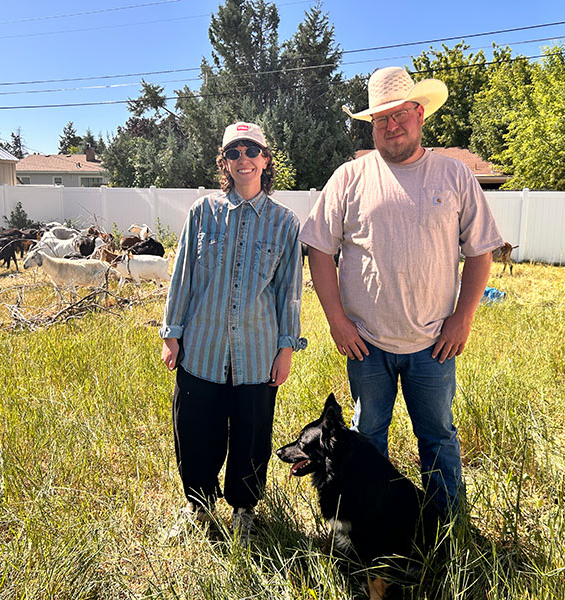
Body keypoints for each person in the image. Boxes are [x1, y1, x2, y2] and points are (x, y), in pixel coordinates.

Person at [299, 67, 503, 516]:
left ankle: (447, 530)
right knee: (366, 439)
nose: (391, 126)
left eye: (399, 115)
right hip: (365, 345)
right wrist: (337, 321)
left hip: (434, 345)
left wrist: (462, 318)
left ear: (420, 114)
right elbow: (317, 249)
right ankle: (371, 525)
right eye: (380, 119)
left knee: (438, 437)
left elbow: (481, 252)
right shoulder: (349, 178)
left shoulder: (454, 176)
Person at [160, 121, 306, 538]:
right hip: (201, 347)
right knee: (195, 430)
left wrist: (286, 348)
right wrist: (172, 333)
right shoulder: (202, 212)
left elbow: (289, 293)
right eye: (234, 152)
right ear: (224, 161)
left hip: (258, 351)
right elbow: (183, 275)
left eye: (251, 151)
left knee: (251, 434)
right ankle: (199, 508)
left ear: (266, 159)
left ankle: (244, 510)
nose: (243, 159)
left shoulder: (284, 223)